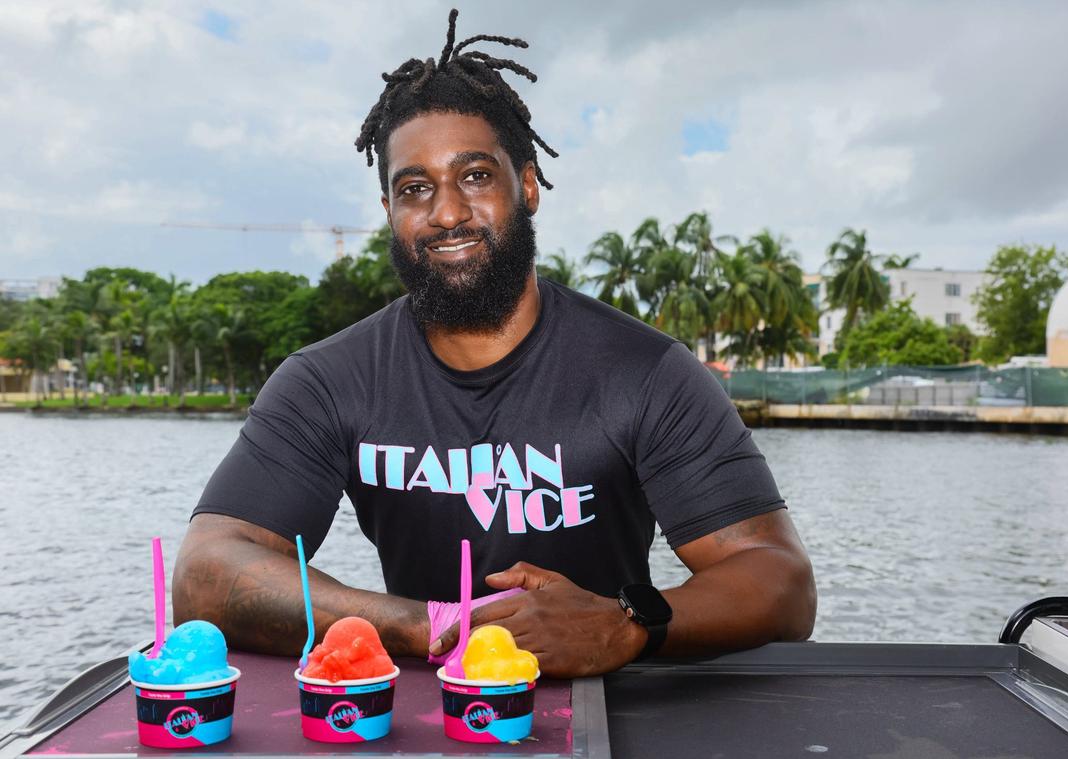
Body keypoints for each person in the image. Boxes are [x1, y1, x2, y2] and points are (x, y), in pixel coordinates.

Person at [173, 9, 815, 678]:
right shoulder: (328, 381)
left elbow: (783, 582)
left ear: (527, 185)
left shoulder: (645, 372)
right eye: (415, 189)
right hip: (424, 709)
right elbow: (205, 572)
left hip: (605, 706)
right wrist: (433, 625)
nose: (447, 212)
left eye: (475, 176)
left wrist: (626, 623)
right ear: (390, 211)